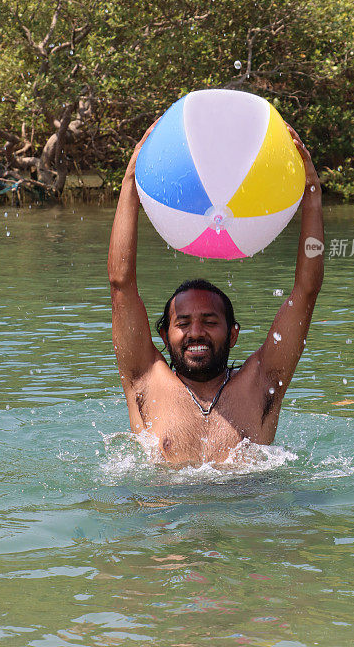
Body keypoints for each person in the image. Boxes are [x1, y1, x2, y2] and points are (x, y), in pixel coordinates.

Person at [107, 120, 324, 464]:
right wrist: (131, 183)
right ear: (164, 332)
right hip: (164, 513)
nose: (196, 332)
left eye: (210, 321)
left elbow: (306, 290)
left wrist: (311, 191)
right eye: (184, 323)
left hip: (247, 514)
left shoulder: (262, 381)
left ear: (233, 334)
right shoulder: (145, 379)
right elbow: (121, 285)